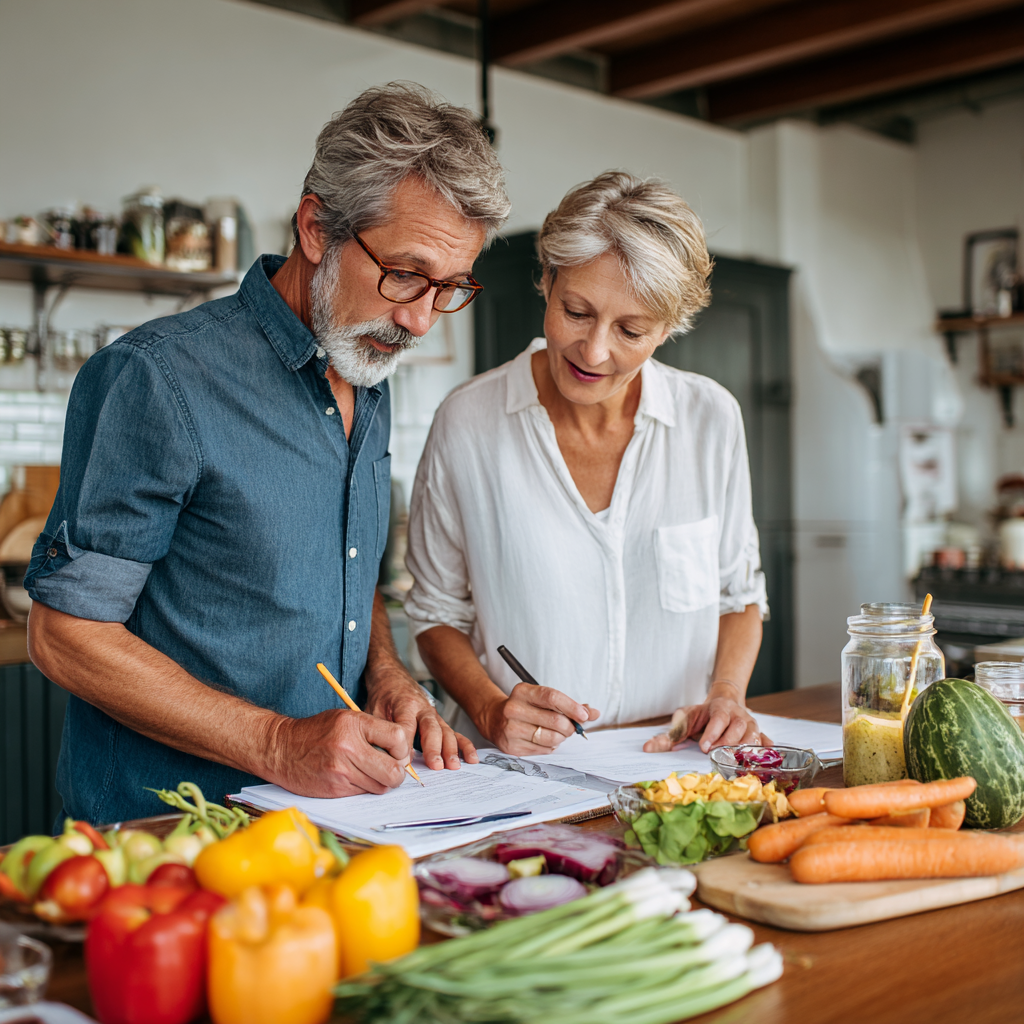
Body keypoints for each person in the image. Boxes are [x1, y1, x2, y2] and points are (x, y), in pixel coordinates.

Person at [25, 83, 510, 824]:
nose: (417, 318)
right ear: (317, 227)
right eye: (405, 273)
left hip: (331, 827)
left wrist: (390, 678)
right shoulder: (159, 379)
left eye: (447, 288)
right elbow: (66, 636)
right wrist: (281, 744)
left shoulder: (366, 372)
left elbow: (346, 579)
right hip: (166, 835)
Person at [405, 171, 768, 758]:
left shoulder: (710, 419)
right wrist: (490, 708)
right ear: (547, 281)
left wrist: (728, 693)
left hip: (671, 768)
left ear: (668, 329)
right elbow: (434, 614)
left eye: (630, 330)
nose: (594, 351)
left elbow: (739, 593)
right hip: (521, 775)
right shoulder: (468, 421)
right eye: (577, 312)